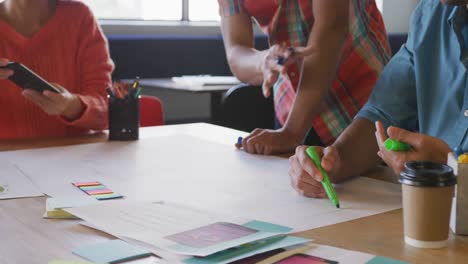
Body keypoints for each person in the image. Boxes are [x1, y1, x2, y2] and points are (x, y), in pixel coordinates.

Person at [289, 0, 468, 198]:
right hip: (427, 212)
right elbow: (383, 113)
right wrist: (336, 159)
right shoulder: (432, 14)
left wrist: (453, 168)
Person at [218, 0, 391, 155]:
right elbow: (235, 52)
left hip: (360, 97)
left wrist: (292, 132)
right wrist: (263, 61)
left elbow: (332, 25)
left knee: (368, 186)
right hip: (292, 105)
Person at [0, 0, 113, 139]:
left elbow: (108, 112)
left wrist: (70, 106)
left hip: (74, 155)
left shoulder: (78, 17)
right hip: (6, 156)